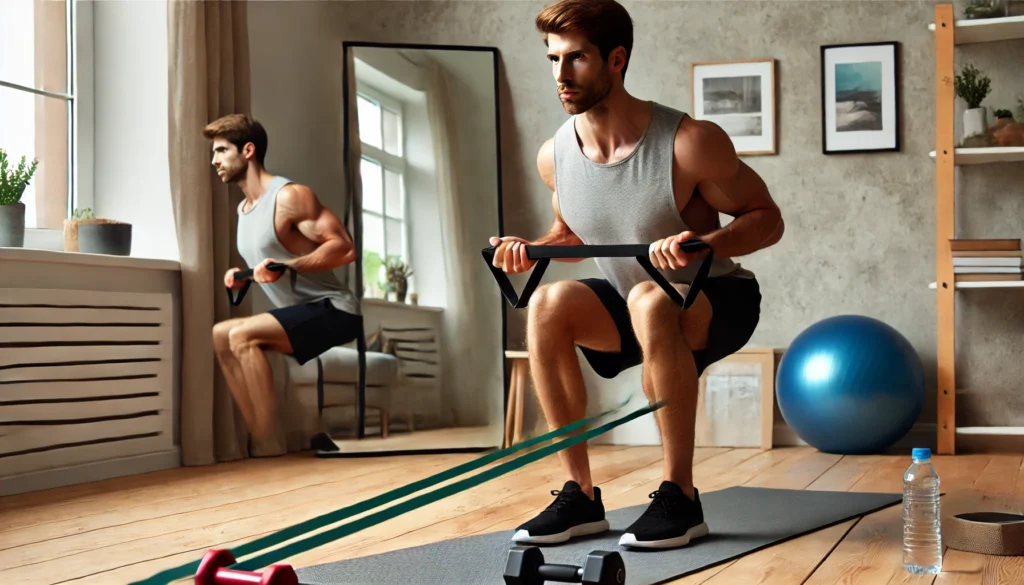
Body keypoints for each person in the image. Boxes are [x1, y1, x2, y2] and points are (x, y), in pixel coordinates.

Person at [490, 0, 784, 549]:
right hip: (636, 294)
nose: (560, 74)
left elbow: (768, 220)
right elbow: (573, 234)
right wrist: (531, 249)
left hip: (715, 295)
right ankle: (579, 495)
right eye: (553, 59)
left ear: (616, 59)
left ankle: (682, 497)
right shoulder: (555, 155)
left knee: (651, 299)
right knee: (547, 305)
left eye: (575, 58)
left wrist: (707, 244)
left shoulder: (688, 141)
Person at [205, 113, 362, 456]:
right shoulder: (243, 210)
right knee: (220, 335)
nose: (214, 160)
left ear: (248, 150)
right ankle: (262, 437)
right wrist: (241, 277)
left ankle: (267, 444)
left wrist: (288, 266)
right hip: (298, 312)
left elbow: (345, 248)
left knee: (240, 335)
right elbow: (267, 267)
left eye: (220, 151)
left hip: (335, 309)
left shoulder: (290, 196)